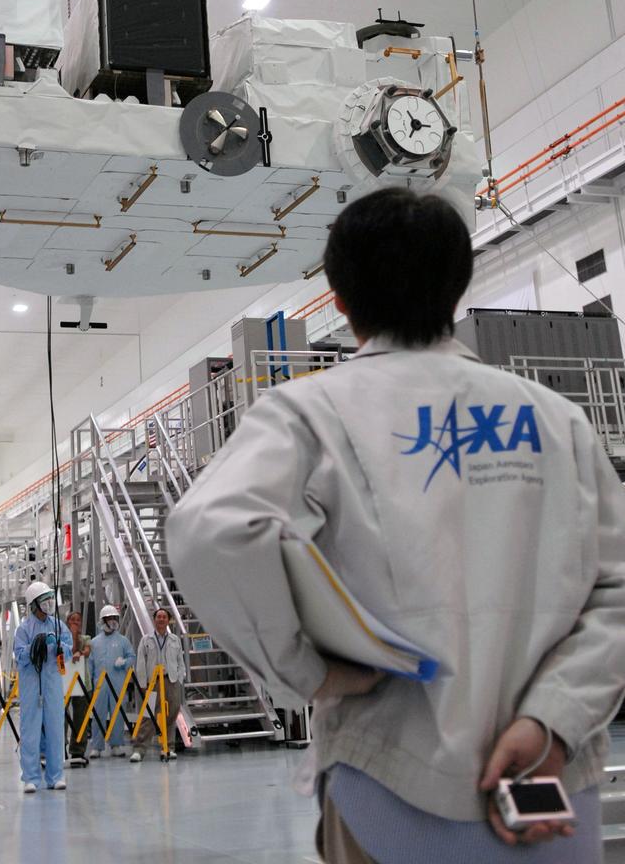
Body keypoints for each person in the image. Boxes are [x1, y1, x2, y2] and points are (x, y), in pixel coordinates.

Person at [167, 187, 625, 863]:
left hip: (386, 783)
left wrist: (303, 672)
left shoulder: (310, 412)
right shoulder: (560, 422)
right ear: (458, 287)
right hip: (542, 790)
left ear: (340, 300)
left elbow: (210, 531)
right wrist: (552, 723)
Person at [14, 581, 72, 793]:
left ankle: (56, 775)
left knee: (56, 729)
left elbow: (68, 650)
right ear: (34, 603)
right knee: (30, 731)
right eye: (45, 599)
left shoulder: (58, 625)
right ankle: (30, 777)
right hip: (31, 686)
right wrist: (35, 646)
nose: (49, 602)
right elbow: (20, 656)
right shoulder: (23, 629)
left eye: (50, 598)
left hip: (53, 684)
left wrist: (58, 645)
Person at [130, 607, 186, 763]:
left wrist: (179, 679)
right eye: (158, 617)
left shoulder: (175, 640)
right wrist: (143, 683)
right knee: (148, 715)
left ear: (168, 620)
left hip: (171, 680)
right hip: (153, 682)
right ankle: (139, 750)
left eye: (164, 617)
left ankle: (168, 748)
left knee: (172, 714)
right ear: (154, 620)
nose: (161, 619)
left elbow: (180, 661)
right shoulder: (146, 640)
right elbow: (140, 663)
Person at [87, 605, 135, 757]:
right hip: (99, 685)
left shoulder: (123, 641)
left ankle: (116, 744)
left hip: (118, 683)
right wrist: (88, 684)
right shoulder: (94, 642)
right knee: (98, 714)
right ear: (103, 620)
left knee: (117, 714)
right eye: (110, 618)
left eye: (115, 618)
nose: (113, 621)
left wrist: (124, 662)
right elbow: (90, 664)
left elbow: (132, 656)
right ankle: (97, 746)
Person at [65, 610, 92, 765]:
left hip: (83, 683)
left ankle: (77, 750)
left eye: (78, 620)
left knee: (80, 717)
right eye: (72, 620)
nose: (75, 622)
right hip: (64, 683)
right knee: (62, 716)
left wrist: (79, 652)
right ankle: (60, 747)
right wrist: (73, 635)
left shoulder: (86, 638)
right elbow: (69, 651)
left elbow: (85, 652)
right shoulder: (62, 639)